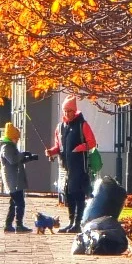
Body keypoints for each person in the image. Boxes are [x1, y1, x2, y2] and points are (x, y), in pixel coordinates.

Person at [46, 96, 97, 233]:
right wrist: (51, 151)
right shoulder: (60, 127)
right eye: (65, 111)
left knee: (77, 193)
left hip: (79, 166)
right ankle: (71, 222)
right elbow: (59, 146)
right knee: (68, 193)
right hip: (65, 167)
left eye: (69, 111)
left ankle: (77, 223)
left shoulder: (82, 125)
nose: (67, 114)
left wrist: (79, 148)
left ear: (75, 111)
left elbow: (92, 142)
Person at [0, 122, 34, 233]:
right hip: (13, 180)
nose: (17, 140)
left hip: (15, 179)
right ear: (11, 137)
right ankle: (19, 225)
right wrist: (22, 155)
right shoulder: (6, 147)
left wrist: (28, 158)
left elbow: (17, 159)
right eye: (16, 138)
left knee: (13, 203)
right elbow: (13, 160)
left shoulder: (10, 146)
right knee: (19, 203)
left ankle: (8, 224)